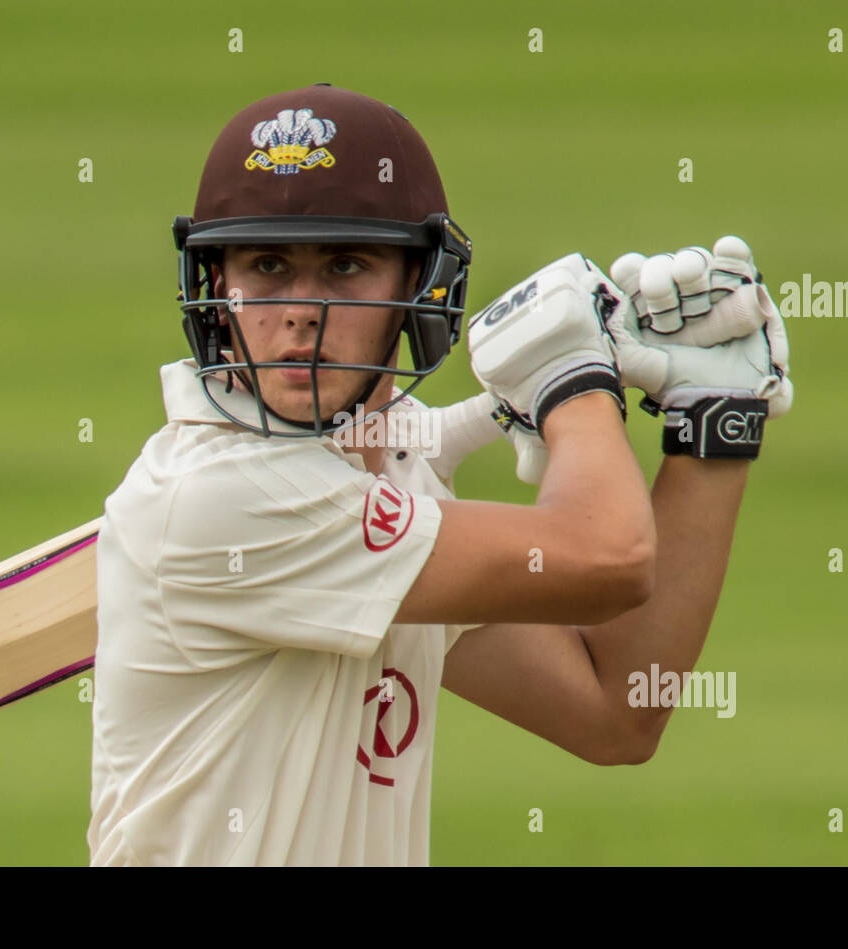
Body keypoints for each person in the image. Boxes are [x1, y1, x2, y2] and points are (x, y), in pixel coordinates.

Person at [87, 83, 792, 866]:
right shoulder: (220, 502)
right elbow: (608, 555)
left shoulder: (384, 492)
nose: (300, 310)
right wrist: (574, 385)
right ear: (217, 289)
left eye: (346, 265)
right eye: (268, 264)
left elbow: (616, 710)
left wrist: (713, 427)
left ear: (419, 290)